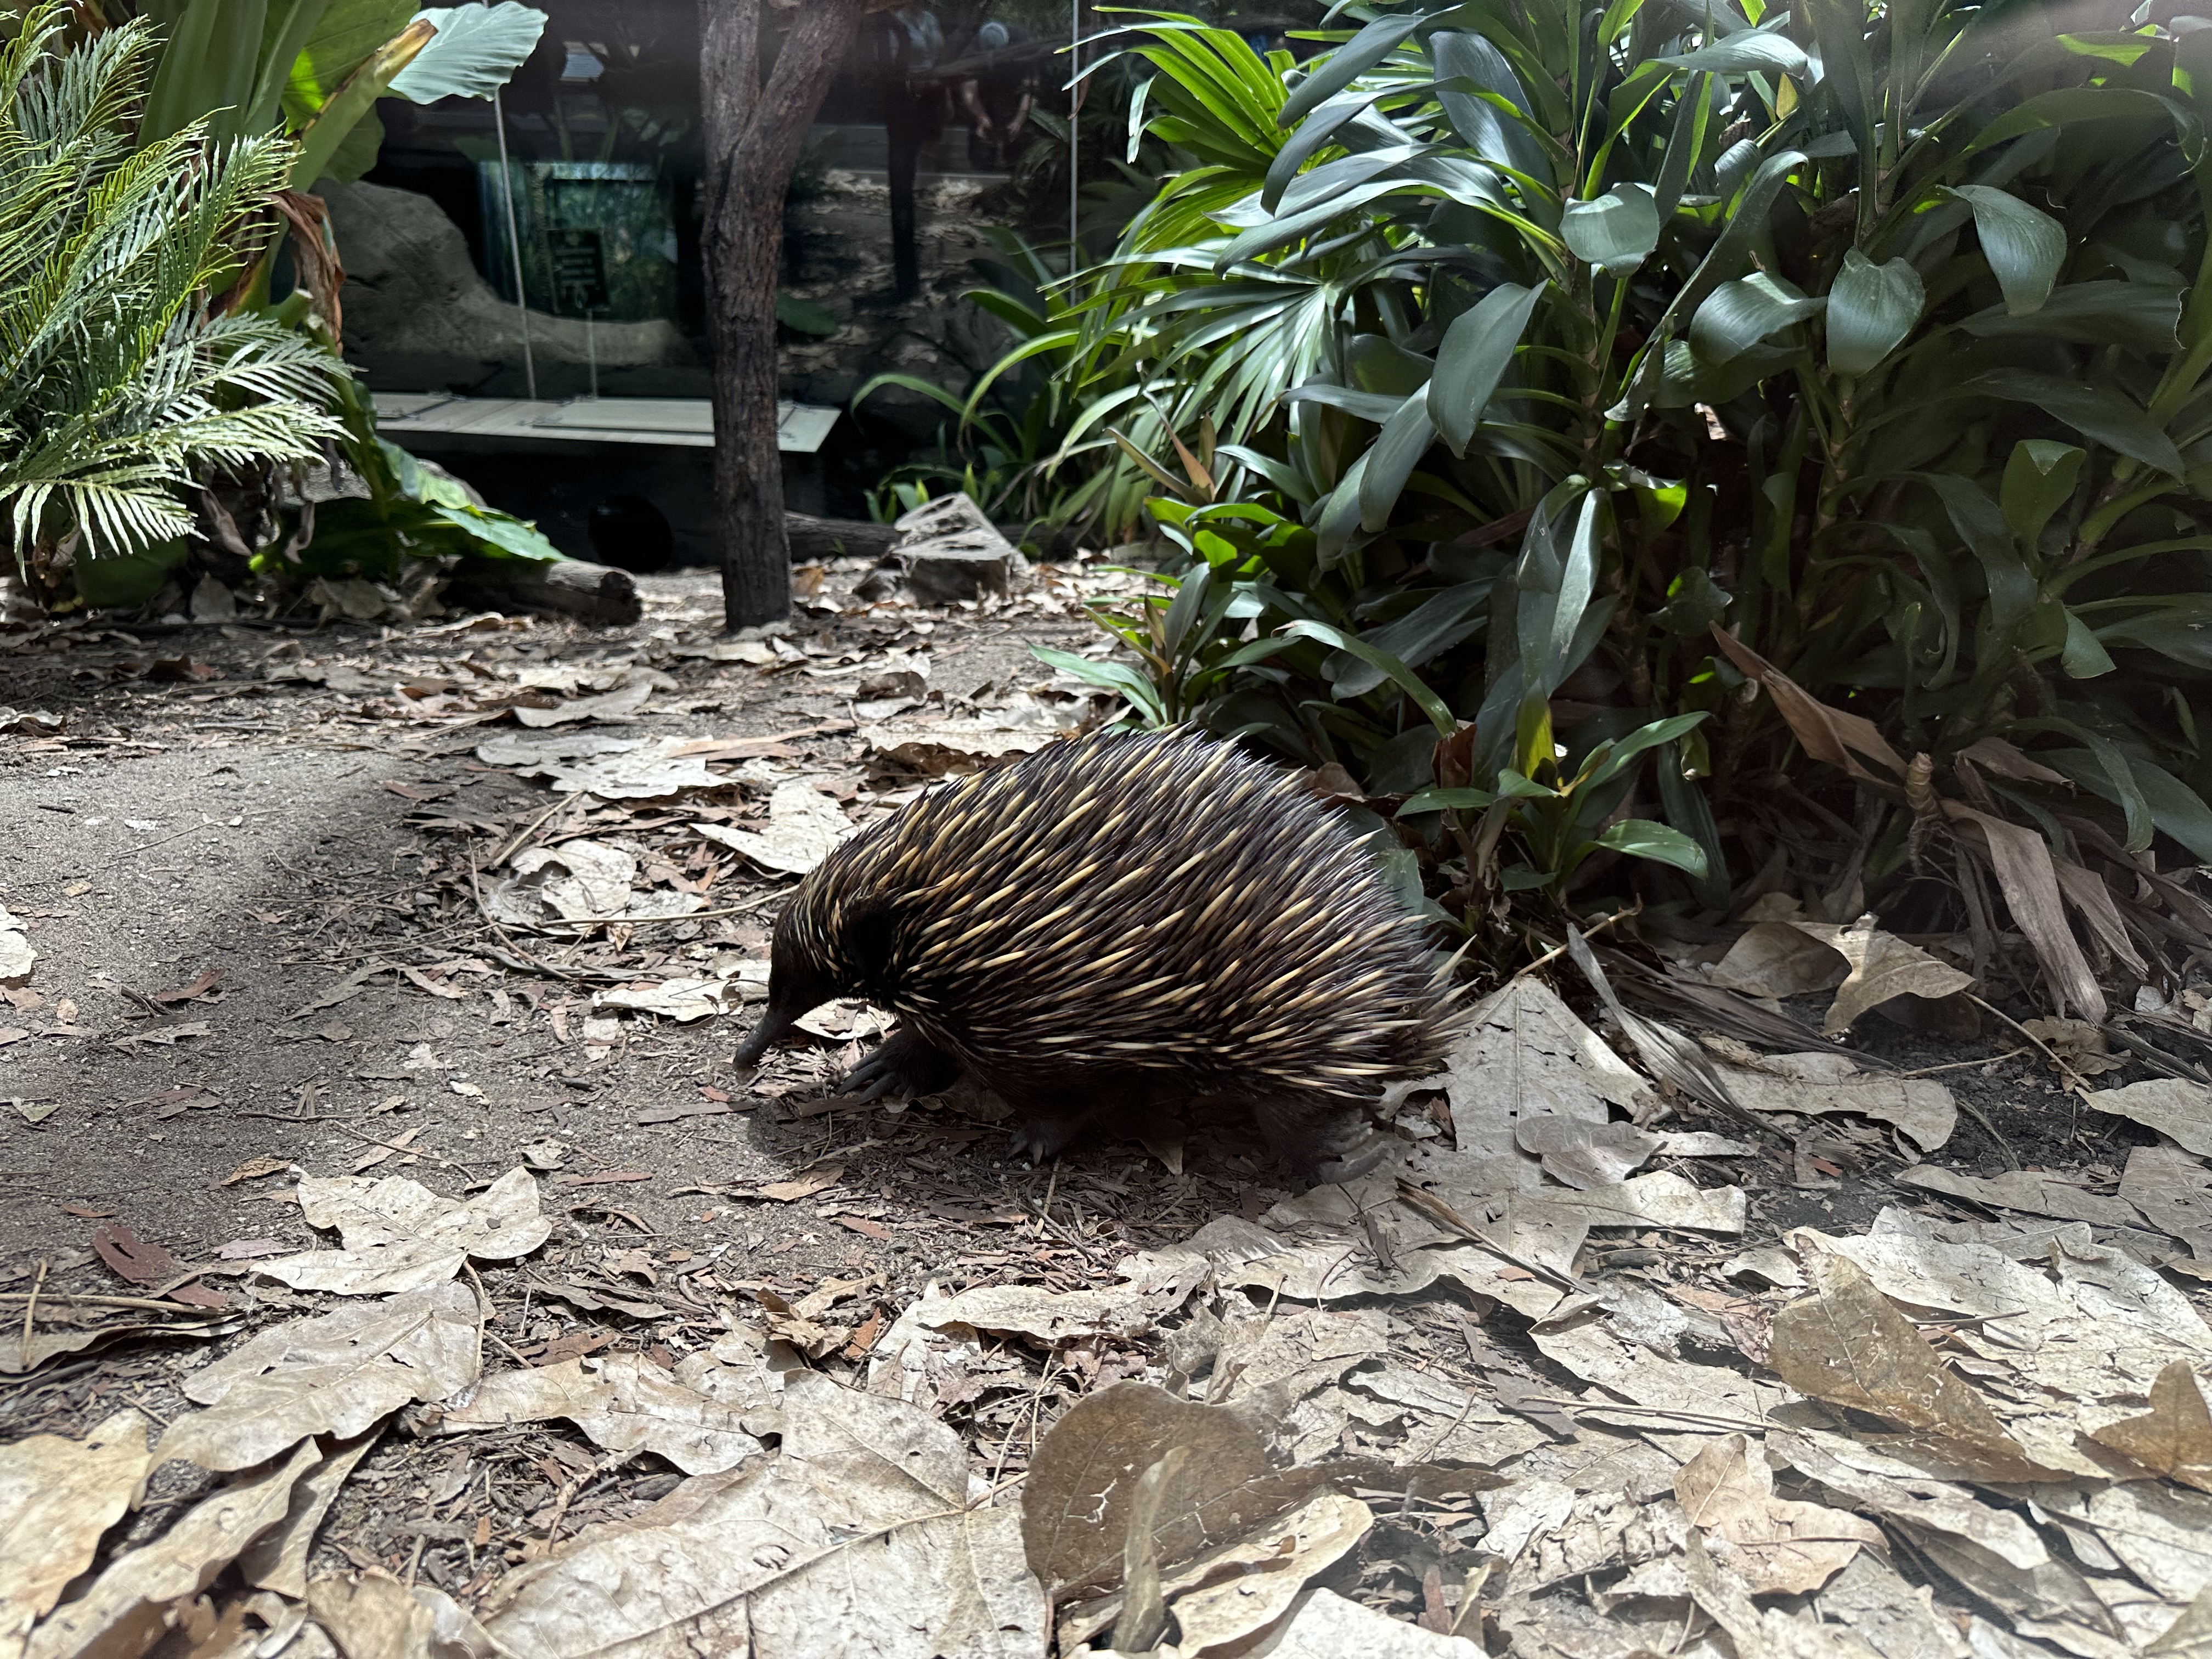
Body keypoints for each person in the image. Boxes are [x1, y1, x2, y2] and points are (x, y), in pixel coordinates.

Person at [960, 20, 1037, 173]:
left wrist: (1019, 121)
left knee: (1016, 148)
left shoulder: (1023, 44)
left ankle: (1014, 167)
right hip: (985, 90)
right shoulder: (972, 48)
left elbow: (1032, 89)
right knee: (981, 149)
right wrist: (981, 117)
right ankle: (981, 167)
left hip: (1014, 90)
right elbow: (969, 91)